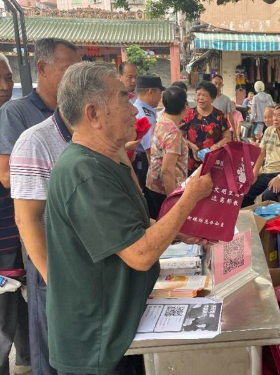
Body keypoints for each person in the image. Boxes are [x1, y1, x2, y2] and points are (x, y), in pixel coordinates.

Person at [44, 61, 212, 375]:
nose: (134, 110)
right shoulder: (85, 171)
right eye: (123, 98)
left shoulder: (106, 161)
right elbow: (139, 253)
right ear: (93, 114)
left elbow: (131, 228)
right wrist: (190, 197)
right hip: (97, 343)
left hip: (120, 326)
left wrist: (180, 232)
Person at [0, 38, 81, 375]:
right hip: (35, 232)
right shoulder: (17, 115)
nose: (74, 80)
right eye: (68, 71)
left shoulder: (74, 114)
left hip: (74, 238)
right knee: (36, 319)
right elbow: (9, 176)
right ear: (43, 69)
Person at [0, 53, 29, 375]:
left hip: (18, 233)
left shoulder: (11, 118)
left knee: (22, 307)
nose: (5, 86)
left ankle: (27, 362)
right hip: (3, 240)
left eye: (8, 78)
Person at [242, 103, 280, 207]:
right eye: (274, 115)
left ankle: (272, 221)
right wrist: (255, 172)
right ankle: (248, 217)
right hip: (268, 172)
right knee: (246, 191)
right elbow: (262, 153)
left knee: (268, 195)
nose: (275, 118)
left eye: (279, 115)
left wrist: (279, 178)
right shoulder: (269, 131)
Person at [145, 86, 189, 219]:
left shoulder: (162, 120)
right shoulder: (173, 133)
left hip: (153, 184)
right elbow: (167, 170)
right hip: (165, 191)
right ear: (185, 106)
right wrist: (172, 201)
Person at [181, 81, 231, 175]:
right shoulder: (189, 114)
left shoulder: (220, 116)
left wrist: (217, 145)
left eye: (204, 95)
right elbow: (180, 137)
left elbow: (227, 137)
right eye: (198, 94)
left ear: (212, 99)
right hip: (192, 161)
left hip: (214, 161)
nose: (200, 98)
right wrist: (191, 145)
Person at [131, 76, 165, 190]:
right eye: (160, 93)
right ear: (151, 92)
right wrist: (157, 177)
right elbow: (150, 149)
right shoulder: (144, 115)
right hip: (144, 163)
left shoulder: (136, 108)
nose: (160, 97)